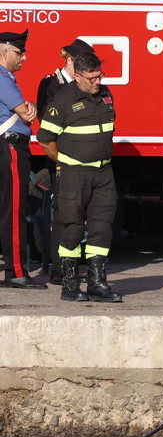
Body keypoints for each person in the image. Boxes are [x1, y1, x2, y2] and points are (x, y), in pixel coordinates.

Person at [36, 49, 120, 303]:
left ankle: (96, 283)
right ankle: (69, 284)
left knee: (102, 228)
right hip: (74, 173)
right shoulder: (62, 101)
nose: (97, 82)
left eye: (100, 76)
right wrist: (64, 162)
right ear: (77, 75)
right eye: (92, 78)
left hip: (104, 173)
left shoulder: (106, 95)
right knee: (72, 228)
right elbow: (45, 139)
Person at [32, 38, 94, 285]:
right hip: (62, 157)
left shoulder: (86, 84)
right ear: (69, 59)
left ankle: (71, 265)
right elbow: (48, 123)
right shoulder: (51, 84)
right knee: (63, 214)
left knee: (80, 213)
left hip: (86, 158)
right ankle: (59, 268)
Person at [0, 30, 40, 288]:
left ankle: (14, 270)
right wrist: (28, 107)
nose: (24, 57)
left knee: (10, 210)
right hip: (11, 147)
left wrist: (28, 107)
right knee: (13, 211)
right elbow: (26, 115)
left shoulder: (7, 79)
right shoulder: (3, 79)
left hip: (10, 146)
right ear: (4, 52)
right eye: (19, 52)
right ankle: (16, 272)